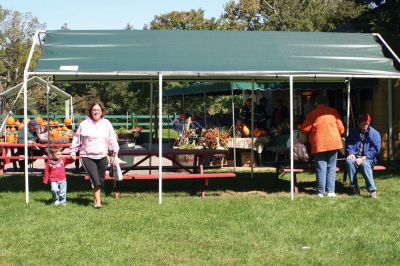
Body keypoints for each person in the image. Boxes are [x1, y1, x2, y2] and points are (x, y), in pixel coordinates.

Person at [70, 101, 119, 208]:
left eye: (98, 110)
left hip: (102, 155)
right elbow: (77, 138)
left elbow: (112, 137)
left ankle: (96, 198)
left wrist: (115, 147)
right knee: (95, 179)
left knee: (100, 180)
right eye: (94, 110)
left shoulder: (106, 123)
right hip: (87, 156)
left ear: (102, 112)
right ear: (90, 112)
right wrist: (73, 151)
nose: (96, 112)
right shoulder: (84, 124)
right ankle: (98, 202)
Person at [300, 94, 345, 197]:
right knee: (331, 168)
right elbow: (341, 129)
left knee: (321, 168)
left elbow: (304, 129)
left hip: (319, 144)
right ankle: (331, 192)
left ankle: (320, 192)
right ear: (327, 103)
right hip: (334, 143)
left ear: (316, 103)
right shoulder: (333, 112)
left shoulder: (313, 113)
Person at [345, 113, 381, 198]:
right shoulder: (354, 132)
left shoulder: (375, 134)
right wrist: (351, 153)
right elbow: (348, 143)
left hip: (368, 158)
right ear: (359, 123)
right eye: (363, 123)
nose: (365, 125)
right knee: (349, 162)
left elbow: (376, 149)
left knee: (364, 164)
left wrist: (364, 157)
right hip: (355, 156)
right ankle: (354, 188)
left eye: (367, 123)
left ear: (369, 123)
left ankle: (372, 190)